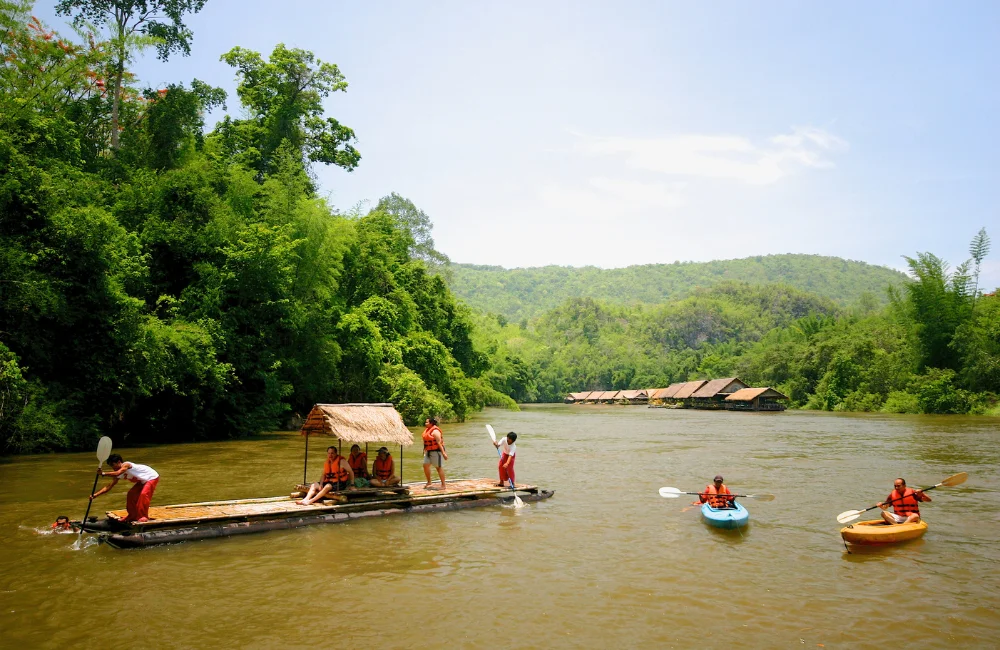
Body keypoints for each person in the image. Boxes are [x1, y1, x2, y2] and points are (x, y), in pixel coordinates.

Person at [90, 454, 160, 522]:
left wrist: (103, 473)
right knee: (131, 494)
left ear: (119, 462)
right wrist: (95, 495)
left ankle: (143, 516)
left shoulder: (126, 465)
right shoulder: (117, 473)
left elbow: (118, 473)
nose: (112, 468)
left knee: (143, 494)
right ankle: (132, 515)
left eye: (113, 465)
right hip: (142, 480)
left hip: (152, 477)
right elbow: (109, 486)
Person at [422, 417, 448, 489]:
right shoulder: (427, 430)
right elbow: (425, 442)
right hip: (428, 452)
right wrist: (425, 451)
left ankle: (443, 485)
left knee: (438, 468)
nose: (425, 423)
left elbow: (439, 443)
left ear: (431, 423)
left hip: (436, 452)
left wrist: (444, 453)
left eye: (427, 422)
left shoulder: (435, 431)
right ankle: (429, 482)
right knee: (425, 465)